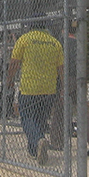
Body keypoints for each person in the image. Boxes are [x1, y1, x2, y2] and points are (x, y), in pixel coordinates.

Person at [7, 18, 63, 165]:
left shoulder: (25, 39)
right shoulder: (54, 42)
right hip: (49, 89)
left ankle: (38, 139)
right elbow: (61, 68)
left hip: (29, 88)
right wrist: (62, 87)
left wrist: (9, 80)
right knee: (40, 119)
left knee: (27, 117)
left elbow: (14, 62)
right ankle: (34, 150)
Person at [50, 20, 89, 156]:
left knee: (59, 110)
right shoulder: (79, 42)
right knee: (83, 110)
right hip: (80, 78)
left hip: (65, 78)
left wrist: (60, 84)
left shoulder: (60, 42)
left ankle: (56, 142)